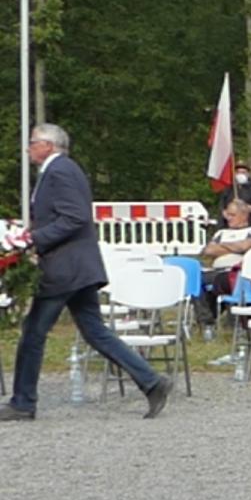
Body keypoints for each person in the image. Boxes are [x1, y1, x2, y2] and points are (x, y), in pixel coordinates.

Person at [4, 123, 173, 422]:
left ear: (48, 145)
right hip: (78, 267)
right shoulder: (61, 170)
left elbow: (75, 217)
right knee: (95, 331)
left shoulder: (60, 171)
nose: (28, 148)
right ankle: (151, 381)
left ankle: (23, 402)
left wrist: (33, 238)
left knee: (33, 333)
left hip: (65, 267)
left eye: (32, 142)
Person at [197, 198, 251, 324]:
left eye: (232, 215)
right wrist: (235, 247)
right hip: (216, 271)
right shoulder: (221, 233)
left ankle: (215, 320)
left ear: (244, 215)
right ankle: (206, 322)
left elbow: (245, 246)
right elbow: (208, 250)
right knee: (195, 280)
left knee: (221, 280)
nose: (228, 218)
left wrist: (221, 246)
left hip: (237, 272)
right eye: (228, 215)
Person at [218, 162, 251, 229]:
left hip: (249, 226)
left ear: (248, 174)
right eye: (238, 172)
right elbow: (222, 207)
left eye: (243, 172)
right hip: (230, 228)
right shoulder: (228, 190)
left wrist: (248, 208)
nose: (240, 174)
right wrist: (225, 212)